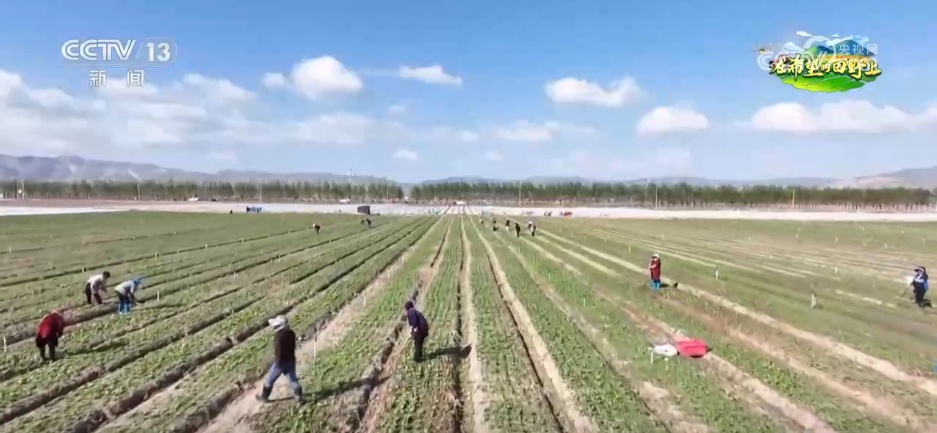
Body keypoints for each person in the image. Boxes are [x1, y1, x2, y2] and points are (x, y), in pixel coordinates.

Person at [256, 315, 304, 404]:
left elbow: (279, 351)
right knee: (293, 379)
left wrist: (278, 364)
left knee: (270, 380)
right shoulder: (291, 333)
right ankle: (299, 397)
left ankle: (264, 397)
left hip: (280, 363)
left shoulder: (279, 337)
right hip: (291, 360)